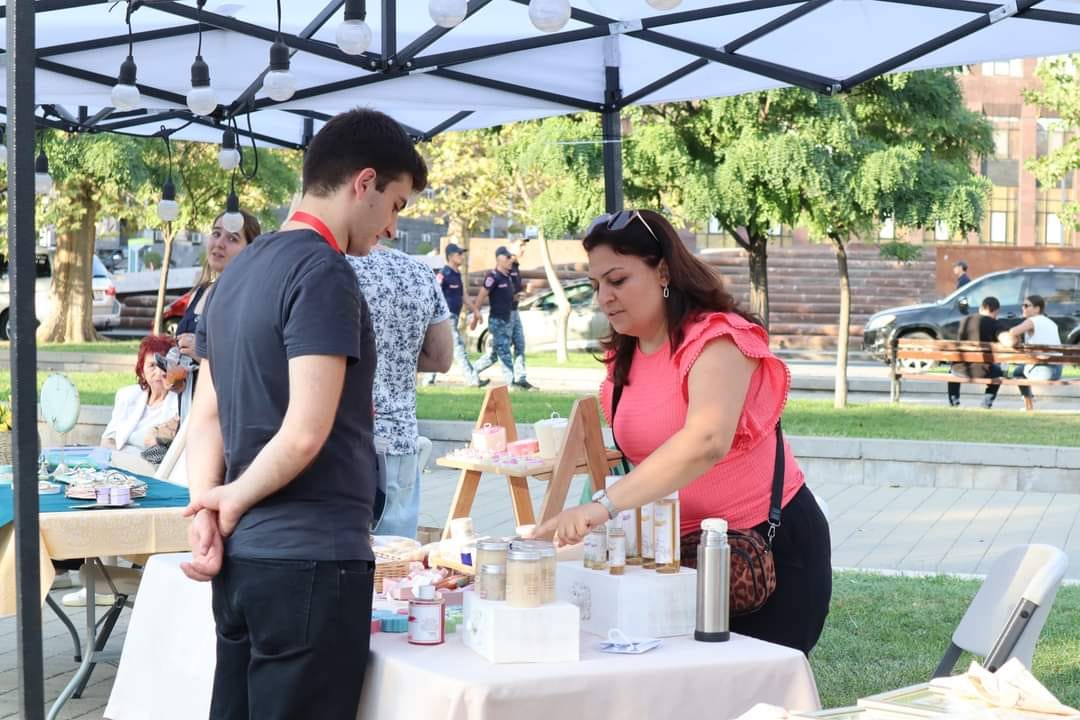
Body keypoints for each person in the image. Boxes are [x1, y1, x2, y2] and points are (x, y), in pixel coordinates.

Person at [182, 108, 427, 719]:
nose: (392, 228)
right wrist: (226, 502)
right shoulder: (323, 272)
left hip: (247, 564)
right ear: (362, 183)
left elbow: (204, 416)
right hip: (310, 563)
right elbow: (306, 431)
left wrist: (207, 507)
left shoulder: (232, 278)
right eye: (396, 204)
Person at [532, 209, 831, 655]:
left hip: (762, 555)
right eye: (596, 286)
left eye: (618, 280)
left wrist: (603, 507)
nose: (604, 298)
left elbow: (705, 442)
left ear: (664, 271)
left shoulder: (718, 338)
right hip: (672, 563)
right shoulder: (625, 356)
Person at [349, 244, 452, 539]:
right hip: (400, 442)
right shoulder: (419, 271)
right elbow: (442, 358)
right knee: (395, 565)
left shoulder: (330, 266)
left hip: (343, 442)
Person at [175, 210, 262, 362]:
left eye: (232, 238)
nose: (219, 244)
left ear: (250, 249)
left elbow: (251, 363)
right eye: (216, 234)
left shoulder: (251, 300)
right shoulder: (199, 292)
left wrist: (204, 354)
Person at [101, 334, 181, 458]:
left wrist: (131, 460)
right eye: (152, 365)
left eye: (163, 364)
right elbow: (107, 440)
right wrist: (119, 460)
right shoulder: (127, 396)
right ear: (142, 371)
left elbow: (160, 456)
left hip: (151, 471)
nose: (158, 372)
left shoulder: (179, 404)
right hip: (117, 465)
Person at [427, 243, 487, 388]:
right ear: (450, 257)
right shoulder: (444, 274)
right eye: (459, 254)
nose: (462, 256)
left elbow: (463, 296)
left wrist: (475, 310)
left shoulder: (457, 274)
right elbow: (433, 292)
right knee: (458, 347)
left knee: (439, 349)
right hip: (445, 317)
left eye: (462, 253)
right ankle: (472, 379)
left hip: (453, 316)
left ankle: (428, 379)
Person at [1001, 294, 1062, 412]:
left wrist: (1015, 338)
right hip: (1057, 370)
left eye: (1026, 305)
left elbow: (1012, 331)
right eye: (1022, 305)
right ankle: (1029, 404)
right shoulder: (1051, 323)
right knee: (1019, 371)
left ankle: (1029, 405)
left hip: (1044, 371)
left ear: (1037, 308)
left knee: (1017, 372)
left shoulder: (1032, 321)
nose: (1023, 308)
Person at [472, 246, 518, 388]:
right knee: (504, 351)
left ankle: (472, 370)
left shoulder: (507, 277)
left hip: (506, 319)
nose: (511, 260)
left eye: (511, 257)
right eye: (508, 257)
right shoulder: (493, 277)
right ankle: (511, 383)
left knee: (493, 355)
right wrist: (475, 314)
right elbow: (481, 295)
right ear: (499, 259)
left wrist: (517, 297)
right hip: (497, 320)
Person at [947, 296, 1002, 408]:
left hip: (959, 370)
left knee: (951, 371)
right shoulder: (994, 324)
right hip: (984, 371)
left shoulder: (964, 321)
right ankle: (986, 403)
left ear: (981, 307)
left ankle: (954, 402)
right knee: (998, 373)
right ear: (996, 310)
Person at [507, 239, 535, 390]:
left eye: (524, 245)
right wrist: (517, 294)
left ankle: (521, 378)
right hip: (506, 311)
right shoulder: (507, 263)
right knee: (496, 351)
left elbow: (514, 289)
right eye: (520, 245)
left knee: (520, 344)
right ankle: (473, 373)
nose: (523, 248)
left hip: (514, 310)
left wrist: (524, 290)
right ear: (511, 245)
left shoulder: (516, 266)